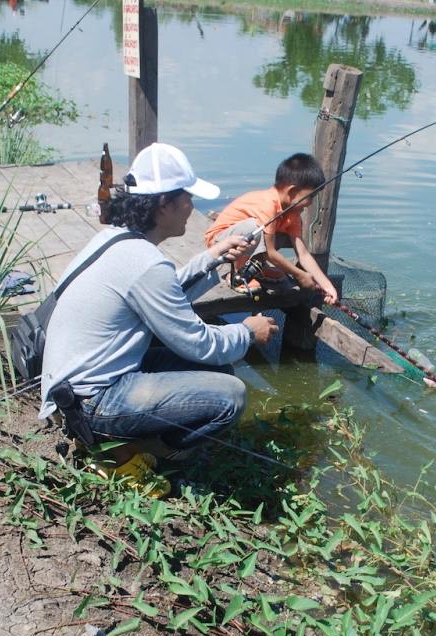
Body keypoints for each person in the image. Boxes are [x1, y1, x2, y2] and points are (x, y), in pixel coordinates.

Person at [38, 142, 279, 485]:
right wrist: (247, 333)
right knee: (231, 395)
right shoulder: (144, 262)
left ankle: (117, 443)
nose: (192, 207)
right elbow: (197, 343)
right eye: (187, 199)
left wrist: (214, 256)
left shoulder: (118, 240)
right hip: (93, 400)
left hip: (72, 389)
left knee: (220, 369)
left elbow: (166, 293)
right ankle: (123, 455)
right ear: (164, 204)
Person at [204, 153, 339, 305]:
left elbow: (303, 253)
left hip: (245, 244)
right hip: (220, 243)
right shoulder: (267, 204)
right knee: (255, 229)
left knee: (282, 236)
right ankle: (238, 274)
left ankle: (257, 268)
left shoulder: (293, 213)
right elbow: (270, 252)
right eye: (311, 196)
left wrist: (327, 286)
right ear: (292, 192)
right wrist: (300, 275)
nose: (310, 203)